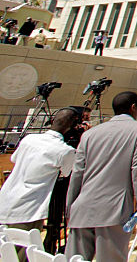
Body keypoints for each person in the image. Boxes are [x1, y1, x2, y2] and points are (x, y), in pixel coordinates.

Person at [66, 91, 137, 262]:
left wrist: (70, 206)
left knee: (75, 259)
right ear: (134, 107)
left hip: (82, 207)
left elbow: (77, 174)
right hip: (114, 208)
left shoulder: (89, 134)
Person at [0, 108, 77, 259]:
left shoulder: (29, 139)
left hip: (6, 200)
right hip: (29, 209)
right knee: (20, 254)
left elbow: (14, 160)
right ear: (71, 127)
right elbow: (65, 173)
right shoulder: (64, 150)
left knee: (5, 251)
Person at [45, 107, 91, 253]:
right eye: (84, 117)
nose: (86, 120)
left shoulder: (81, 134)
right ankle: (49, 249)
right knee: (54, 221)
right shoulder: (65, 138)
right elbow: (67, 168)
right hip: (60, 183)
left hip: (71, 181)